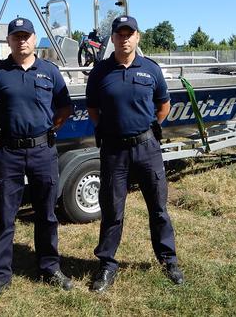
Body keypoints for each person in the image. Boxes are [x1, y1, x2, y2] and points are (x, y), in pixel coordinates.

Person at [0, 17, 74, 299]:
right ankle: (1, 274)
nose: (22, 41)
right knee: (5, 216)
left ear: (34, 38)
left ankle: (49, 266)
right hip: (8, 152)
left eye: (26, 36)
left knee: (46, 213)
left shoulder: (50, 71)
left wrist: (47, 130)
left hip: (43, 151)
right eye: (16, 36)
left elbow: (64, 108)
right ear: (9, 41)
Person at [85, 15, 184, 293]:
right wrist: (108, 128)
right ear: (113, 38)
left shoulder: (150, 69)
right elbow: (93, 108)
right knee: (112, 210)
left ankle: (169, 261)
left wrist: (148, 129)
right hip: (114, 151)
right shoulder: (100, 72)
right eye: (120, 34)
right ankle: (106, 265)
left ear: (137, 37)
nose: (125, 38)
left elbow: (163, 106)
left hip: (146, 148)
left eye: (130, 34)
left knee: (159, 209)